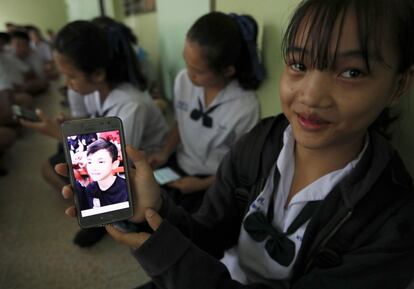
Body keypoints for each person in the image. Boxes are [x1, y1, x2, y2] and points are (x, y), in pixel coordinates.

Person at [57, 0, 414, 288]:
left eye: (351, 72)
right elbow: (209, 234)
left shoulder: (393, 221)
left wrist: (170, 257)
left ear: (399, 85)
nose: (310, 95)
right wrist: (156, 210)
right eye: (298, 63)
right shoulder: (260, 142)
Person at [23, 20, 168, 247]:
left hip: (144, 166)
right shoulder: (94, 89)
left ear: (99, 73)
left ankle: (110, 219)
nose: (69, 85)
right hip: (108, 152)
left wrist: (55, 132)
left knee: (76, 171)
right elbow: (95, 124)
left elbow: (118, 160)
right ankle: (99, 213)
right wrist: (66, 125)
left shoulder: (131, 104)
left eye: (72, 77)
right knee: (56, 165)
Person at [147, 12, 264, 213]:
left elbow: (241, 169)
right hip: (180, 163)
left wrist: (202, 185)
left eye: (198, 71)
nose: (188, 74)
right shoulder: (183, 80)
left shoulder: (246, 106)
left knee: (189, 230)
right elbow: (179, 122)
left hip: (215, 178)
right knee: (150, 206)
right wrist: (165, 152)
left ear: (228, 70)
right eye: (187, 63)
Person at [10, 30, 49, 95]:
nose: (17, 48)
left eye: (21, 44)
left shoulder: (34, 56)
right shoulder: (9, 58)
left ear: (28, 45)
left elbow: (42, 81)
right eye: (15, 44)